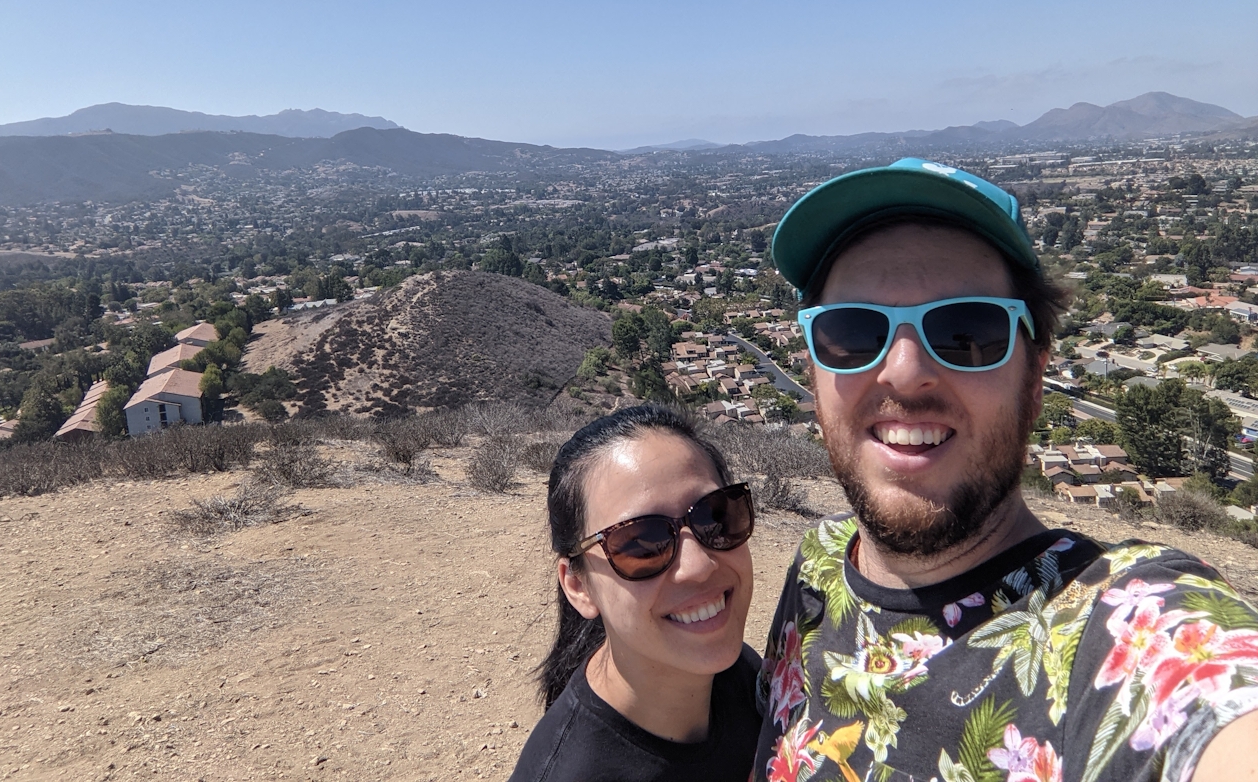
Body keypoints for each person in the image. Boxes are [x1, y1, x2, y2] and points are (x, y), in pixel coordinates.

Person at [753, 157, 1258, 782]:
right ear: (814, 373)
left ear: (1034, 377)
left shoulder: (1125, 631)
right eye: (853, 332)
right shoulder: (817, 569)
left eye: (968, 330)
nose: (905, 372)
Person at [509, 403, 761, 782]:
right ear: (578, 586)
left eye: (715, 516)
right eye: (642, 543)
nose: (699, 565)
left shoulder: (741, 676)